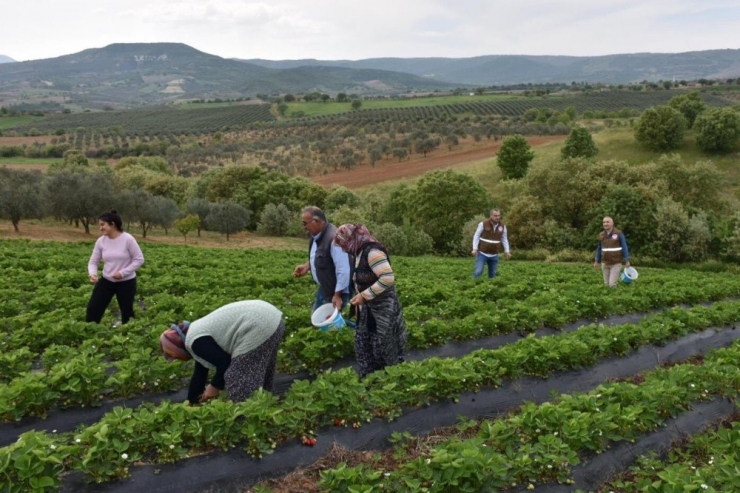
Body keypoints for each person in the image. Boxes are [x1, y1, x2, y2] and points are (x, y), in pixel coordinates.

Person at [159, 300, 285, 405]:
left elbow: (225, 363)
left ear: (176, 347)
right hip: (273, 318)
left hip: (258, 324)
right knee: (262, 369)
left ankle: (244, 418)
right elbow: (200, 373)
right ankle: (268, 402)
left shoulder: (194, 342)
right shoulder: (194, 333)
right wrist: (192, 401)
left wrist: (214, 387)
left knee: (237, 376)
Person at [334, 224, 407, 379]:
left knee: (381, 347)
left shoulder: (373, 252)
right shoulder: (359, 253)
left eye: (344, 245)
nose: (343, 249)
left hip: (381, 309)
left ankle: (388, 382)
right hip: (367, 310)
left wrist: (365, 295)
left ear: (352, 239)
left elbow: (388, 278)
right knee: (362, 344)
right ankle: (368, 381)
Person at [86, 210, 145, 324]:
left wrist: (123, 273)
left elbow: (139, 259)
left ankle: (128, 336)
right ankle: (91, 334)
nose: (100, 228)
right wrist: (92, 274)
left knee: (127, 314)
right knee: (93, 310)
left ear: (113, 224)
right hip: (106, 281)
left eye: (103, 224)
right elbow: (93, 261)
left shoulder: (128, 239)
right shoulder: (101, 241)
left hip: (126, 283)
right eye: (100, 225)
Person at [293, 206, 351, 313]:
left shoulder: (334, 239)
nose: (304, 227)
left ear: (317, 222)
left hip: (335, 291)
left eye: (305, 223)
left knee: (331, 323)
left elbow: (344, 270)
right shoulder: (316, 236)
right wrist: (308, 265)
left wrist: (337, 295)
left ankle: (360, 329)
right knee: (321, 320)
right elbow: (324, 256)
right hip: (325, 288)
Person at [471, 208, 511, 279]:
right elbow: (476, 236)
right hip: (482, 253)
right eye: (495, 216)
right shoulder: (483, 224)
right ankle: (470, 284)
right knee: (478, 271)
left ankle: (490, 288)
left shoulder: (503, 226)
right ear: (491, 216)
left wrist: (507, 251)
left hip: (494, 254)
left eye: (499, 215)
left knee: (492, 275)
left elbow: (504, 239)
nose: (497, 217)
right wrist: (475, 249)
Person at [593, 216, 631, 287]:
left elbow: (624, 247)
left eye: (608, 222)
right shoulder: (601, 235)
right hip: (605, 263)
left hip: (616, 263)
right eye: (604, 222)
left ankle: (616, 296)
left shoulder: (619, 234)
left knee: (612, 284)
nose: (605, 224)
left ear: (612, 223)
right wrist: (597, 260)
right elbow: (599, 248)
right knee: (606, 284)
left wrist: (627, 260)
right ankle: (608, 297)